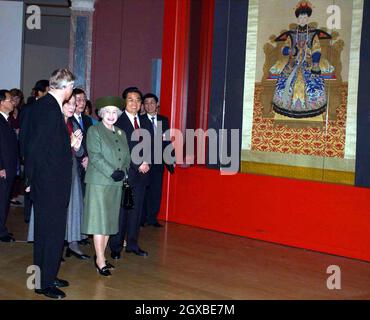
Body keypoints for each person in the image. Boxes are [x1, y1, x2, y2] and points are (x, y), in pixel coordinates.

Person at [24, 69, 75, 299]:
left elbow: (36, 144)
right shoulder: (49, 109)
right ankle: (44, 284)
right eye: (72, 87)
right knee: (50, 234)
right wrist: (31, 180)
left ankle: (46, 276)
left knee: (48, 233)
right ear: (67, 87)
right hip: (49, 184)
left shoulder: (44, 106)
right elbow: (36, 148)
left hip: (48, 183)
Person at [27, 93, 90, 260]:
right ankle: (52, 253)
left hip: (71, 174)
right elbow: (40, 151)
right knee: (50, 219)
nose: (71, 107)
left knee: (69, 212)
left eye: (73, 104)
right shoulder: (52, 122)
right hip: (50, 177)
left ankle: (65, 246)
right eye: (67, 104)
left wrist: (77, 148)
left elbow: (81, 151)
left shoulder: (73, 123)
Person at [82, 96, 130, 276]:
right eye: (107, 112)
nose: (111, 115)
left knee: (109, 221)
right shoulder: (94, 130)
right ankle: (100, 260)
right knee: (99, 222)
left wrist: (123, 171)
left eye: (114, 112)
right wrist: (112, 171)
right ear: (101, 114)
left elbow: (127, 156)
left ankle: (102, 256)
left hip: (116, 183)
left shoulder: (121, 132)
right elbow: (94, 156)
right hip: (99, 182)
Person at [109, 87, 153, 260]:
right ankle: (116, 246)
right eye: (130, 99)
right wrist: (138, 164)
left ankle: (133, 244)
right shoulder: (118, 123)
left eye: (137, 100)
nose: (134, 103)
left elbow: (151, 146)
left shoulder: (146, 122)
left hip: (143, 174)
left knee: (136, 212)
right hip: (127, 174)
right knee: (122, 212)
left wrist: (147, 161)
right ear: (124, 102)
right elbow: (121, 149)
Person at [270, 0, 333, 118]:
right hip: (293, 62)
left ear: (308, 18)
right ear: (297, 19)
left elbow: (316, 49)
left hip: (308, 63)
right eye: (300, 17)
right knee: (284, 81)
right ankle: (284, 106)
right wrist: (290, 50)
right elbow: (284, 49)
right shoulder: (292, 33)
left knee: (313, 83)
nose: (302, 19)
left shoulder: (313, 33)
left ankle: (313, 106)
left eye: (304, 17)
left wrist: (315, 63)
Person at [141, 93, 174, 227]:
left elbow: (167, 141)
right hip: (144, 161)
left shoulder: (163, 120)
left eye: (152, 102)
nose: (149, 105)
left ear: (157, 104)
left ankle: (152, 218)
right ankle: (141, 219)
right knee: (143, 190)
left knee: (156, 190)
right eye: (146, 103)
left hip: (159, 161)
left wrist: (171, 159)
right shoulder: (140, 120)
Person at [19, 80, 50, 223]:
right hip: (31, 155)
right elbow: (24, 134)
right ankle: (28, 216)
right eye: (48, 90)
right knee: (29, 186)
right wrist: (24, 155)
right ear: (40, 91)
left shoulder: (51, 108)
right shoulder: (28, 108)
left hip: (46, 155)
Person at [0, 90, 18, 242]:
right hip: (3, 169)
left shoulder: (7, 120)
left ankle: (2, 229)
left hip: (9, 168)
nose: (13, 102)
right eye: (9, 99)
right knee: (1, 200)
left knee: (4, 200)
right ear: (1, 103)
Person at [71, 88, 92, 196]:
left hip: (87, 163)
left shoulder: (87, 119)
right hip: (74, 162)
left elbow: (91, 140)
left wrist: (88, 157)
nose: (82, 103)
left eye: (84, 100)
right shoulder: (68, 119)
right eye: (78, 100)